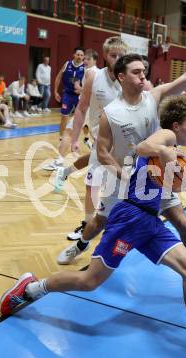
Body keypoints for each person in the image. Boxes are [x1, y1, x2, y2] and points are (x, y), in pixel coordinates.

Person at [0, 95, 186, 358]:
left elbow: (160, 179)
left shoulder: (172, 145)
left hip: (149, 220)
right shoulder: (165, 136)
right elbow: (143, 147)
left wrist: (177, 181)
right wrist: (167, 152)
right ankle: (29, 289)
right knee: (89, 281)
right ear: (176, 126)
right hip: (130, 216)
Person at [57, 14, 186, 298]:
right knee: (100, 220)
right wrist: (122, 173)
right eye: (137, 72)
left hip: (154, 177)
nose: (144, 76)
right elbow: (101, 151)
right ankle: (81, 245)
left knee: (182, 221)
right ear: (123, 76)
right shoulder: (110, 109)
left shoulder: (154, 96)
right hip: (121, 176)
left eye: (144, 71)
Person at [53, 37, 127, 242]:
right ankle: (87, 224)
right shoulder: (93, 75)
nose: (118, 58)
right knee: (92, 183)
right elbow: (82, 107)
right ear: (105, 55)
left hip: (124, 142)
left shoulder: (129, 78)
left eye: (122, 55)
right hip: (101, 139)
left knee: (119, 187)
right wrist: (75, 138)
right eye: (114, 55)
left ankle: (65, 172)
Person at [44, 47, 85, 170]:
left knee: (80, 119)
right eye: (78, 54)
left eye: (81, 55)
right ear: (74, 55)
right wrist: (55, 91)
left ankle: (85, 137)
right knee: (64, 117)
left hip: (79, 95)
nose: (79, 56)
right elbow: (58, 77)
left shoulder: (86, 68)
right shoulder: (67, 64)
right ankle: (62, 138)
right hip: (67, 94)